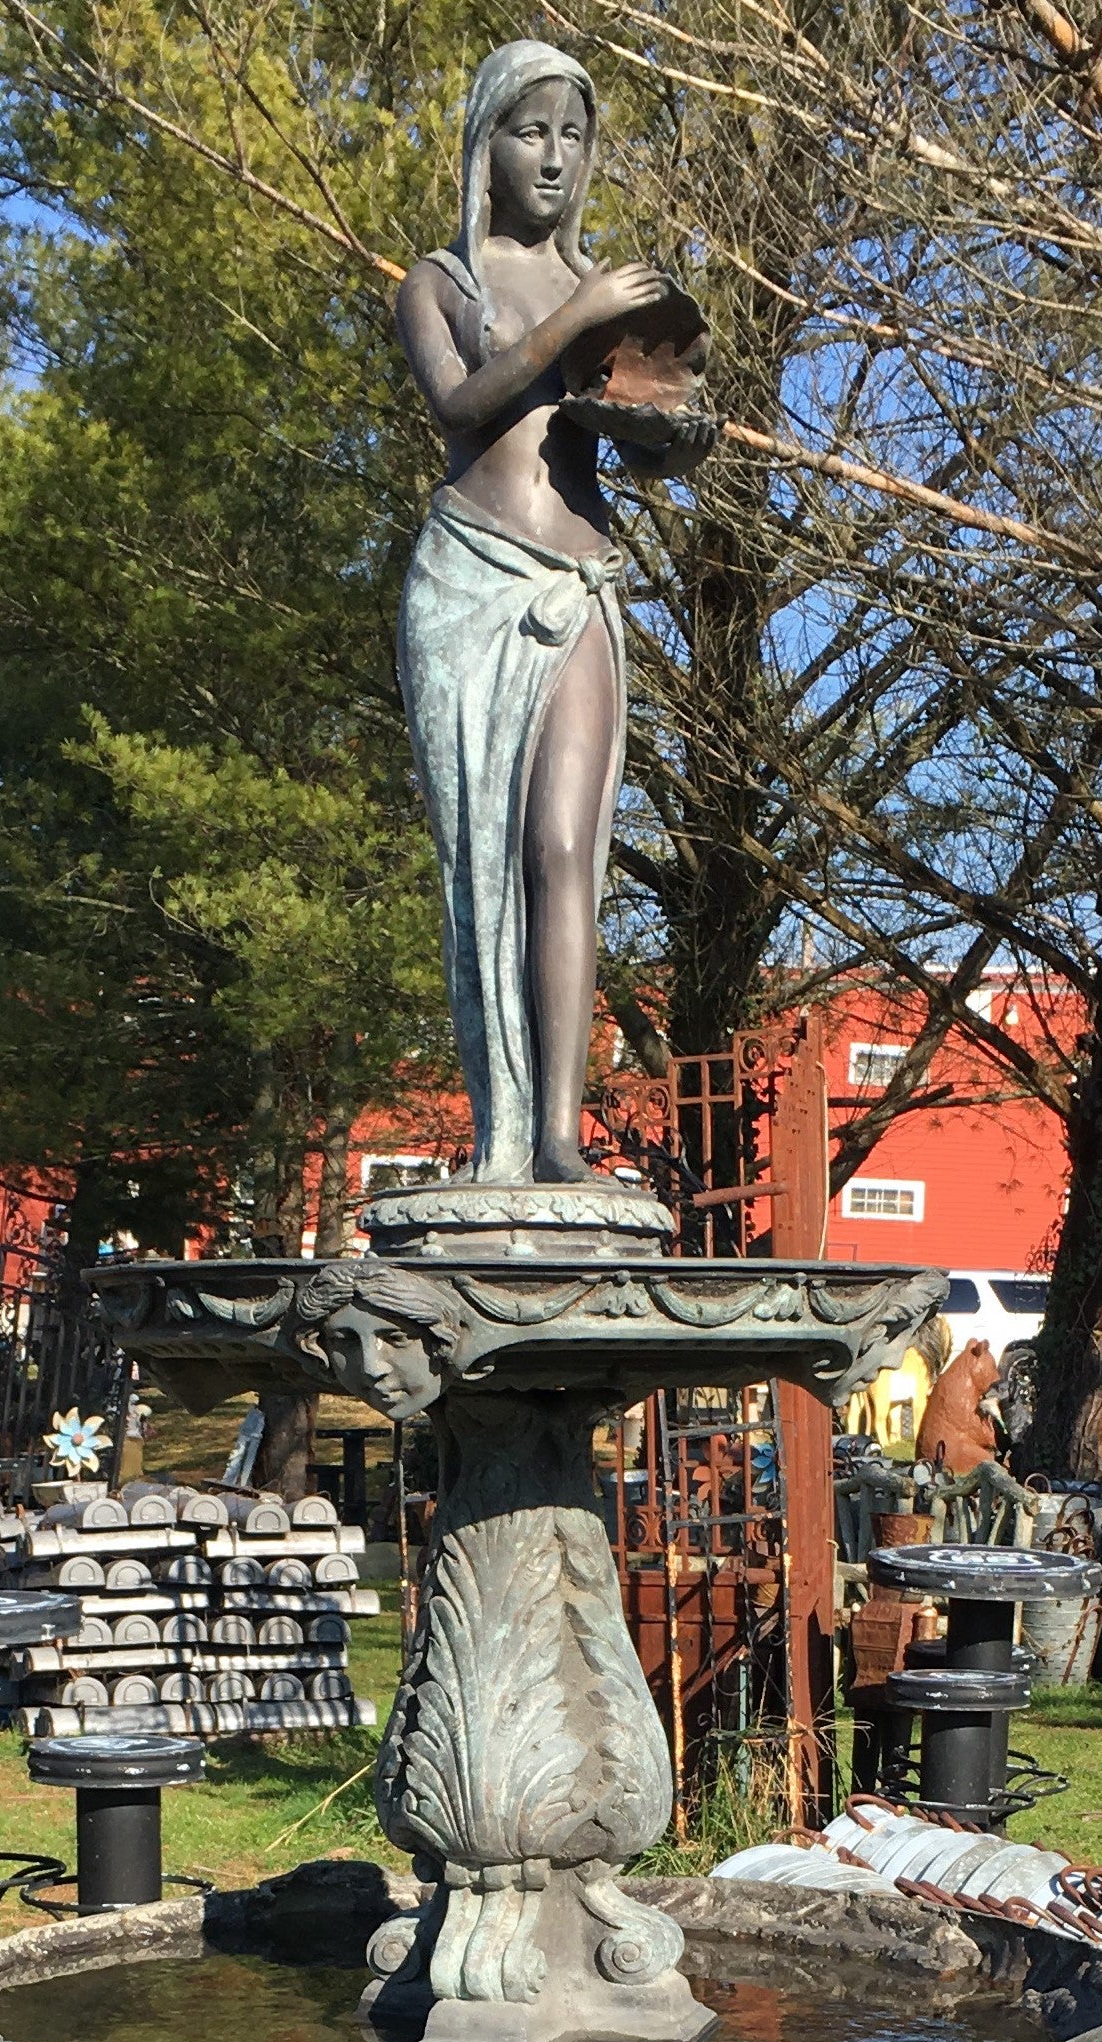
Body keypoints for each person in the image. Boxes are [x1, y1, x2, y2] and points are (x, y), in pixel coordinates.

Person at [395, 41, 671, 1188]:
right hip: (469, 584)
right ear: (484, 144)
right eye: (528, 130)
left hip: (584, 587)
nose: (551, 157)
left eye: (571, 133)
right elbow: (460, 401)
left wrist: (670, 427)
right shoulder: (438, 283)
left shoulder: (601, 287)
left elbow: (643, 420)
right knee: (487, 862)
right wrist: (573, 323)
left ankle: (557, 1139)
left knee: (568, 851)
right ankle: (496, 1128)